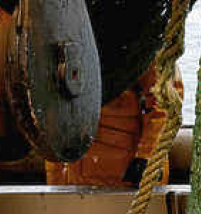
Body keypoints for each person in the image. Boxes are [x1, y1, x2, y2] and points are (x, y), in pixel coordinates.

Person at [45, 62, 182, 187]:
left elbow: (164, 105)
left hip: (126, 178)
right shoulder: (56, 42)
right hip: (69, 175)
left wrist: (146, 156)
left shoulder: (144, 45)